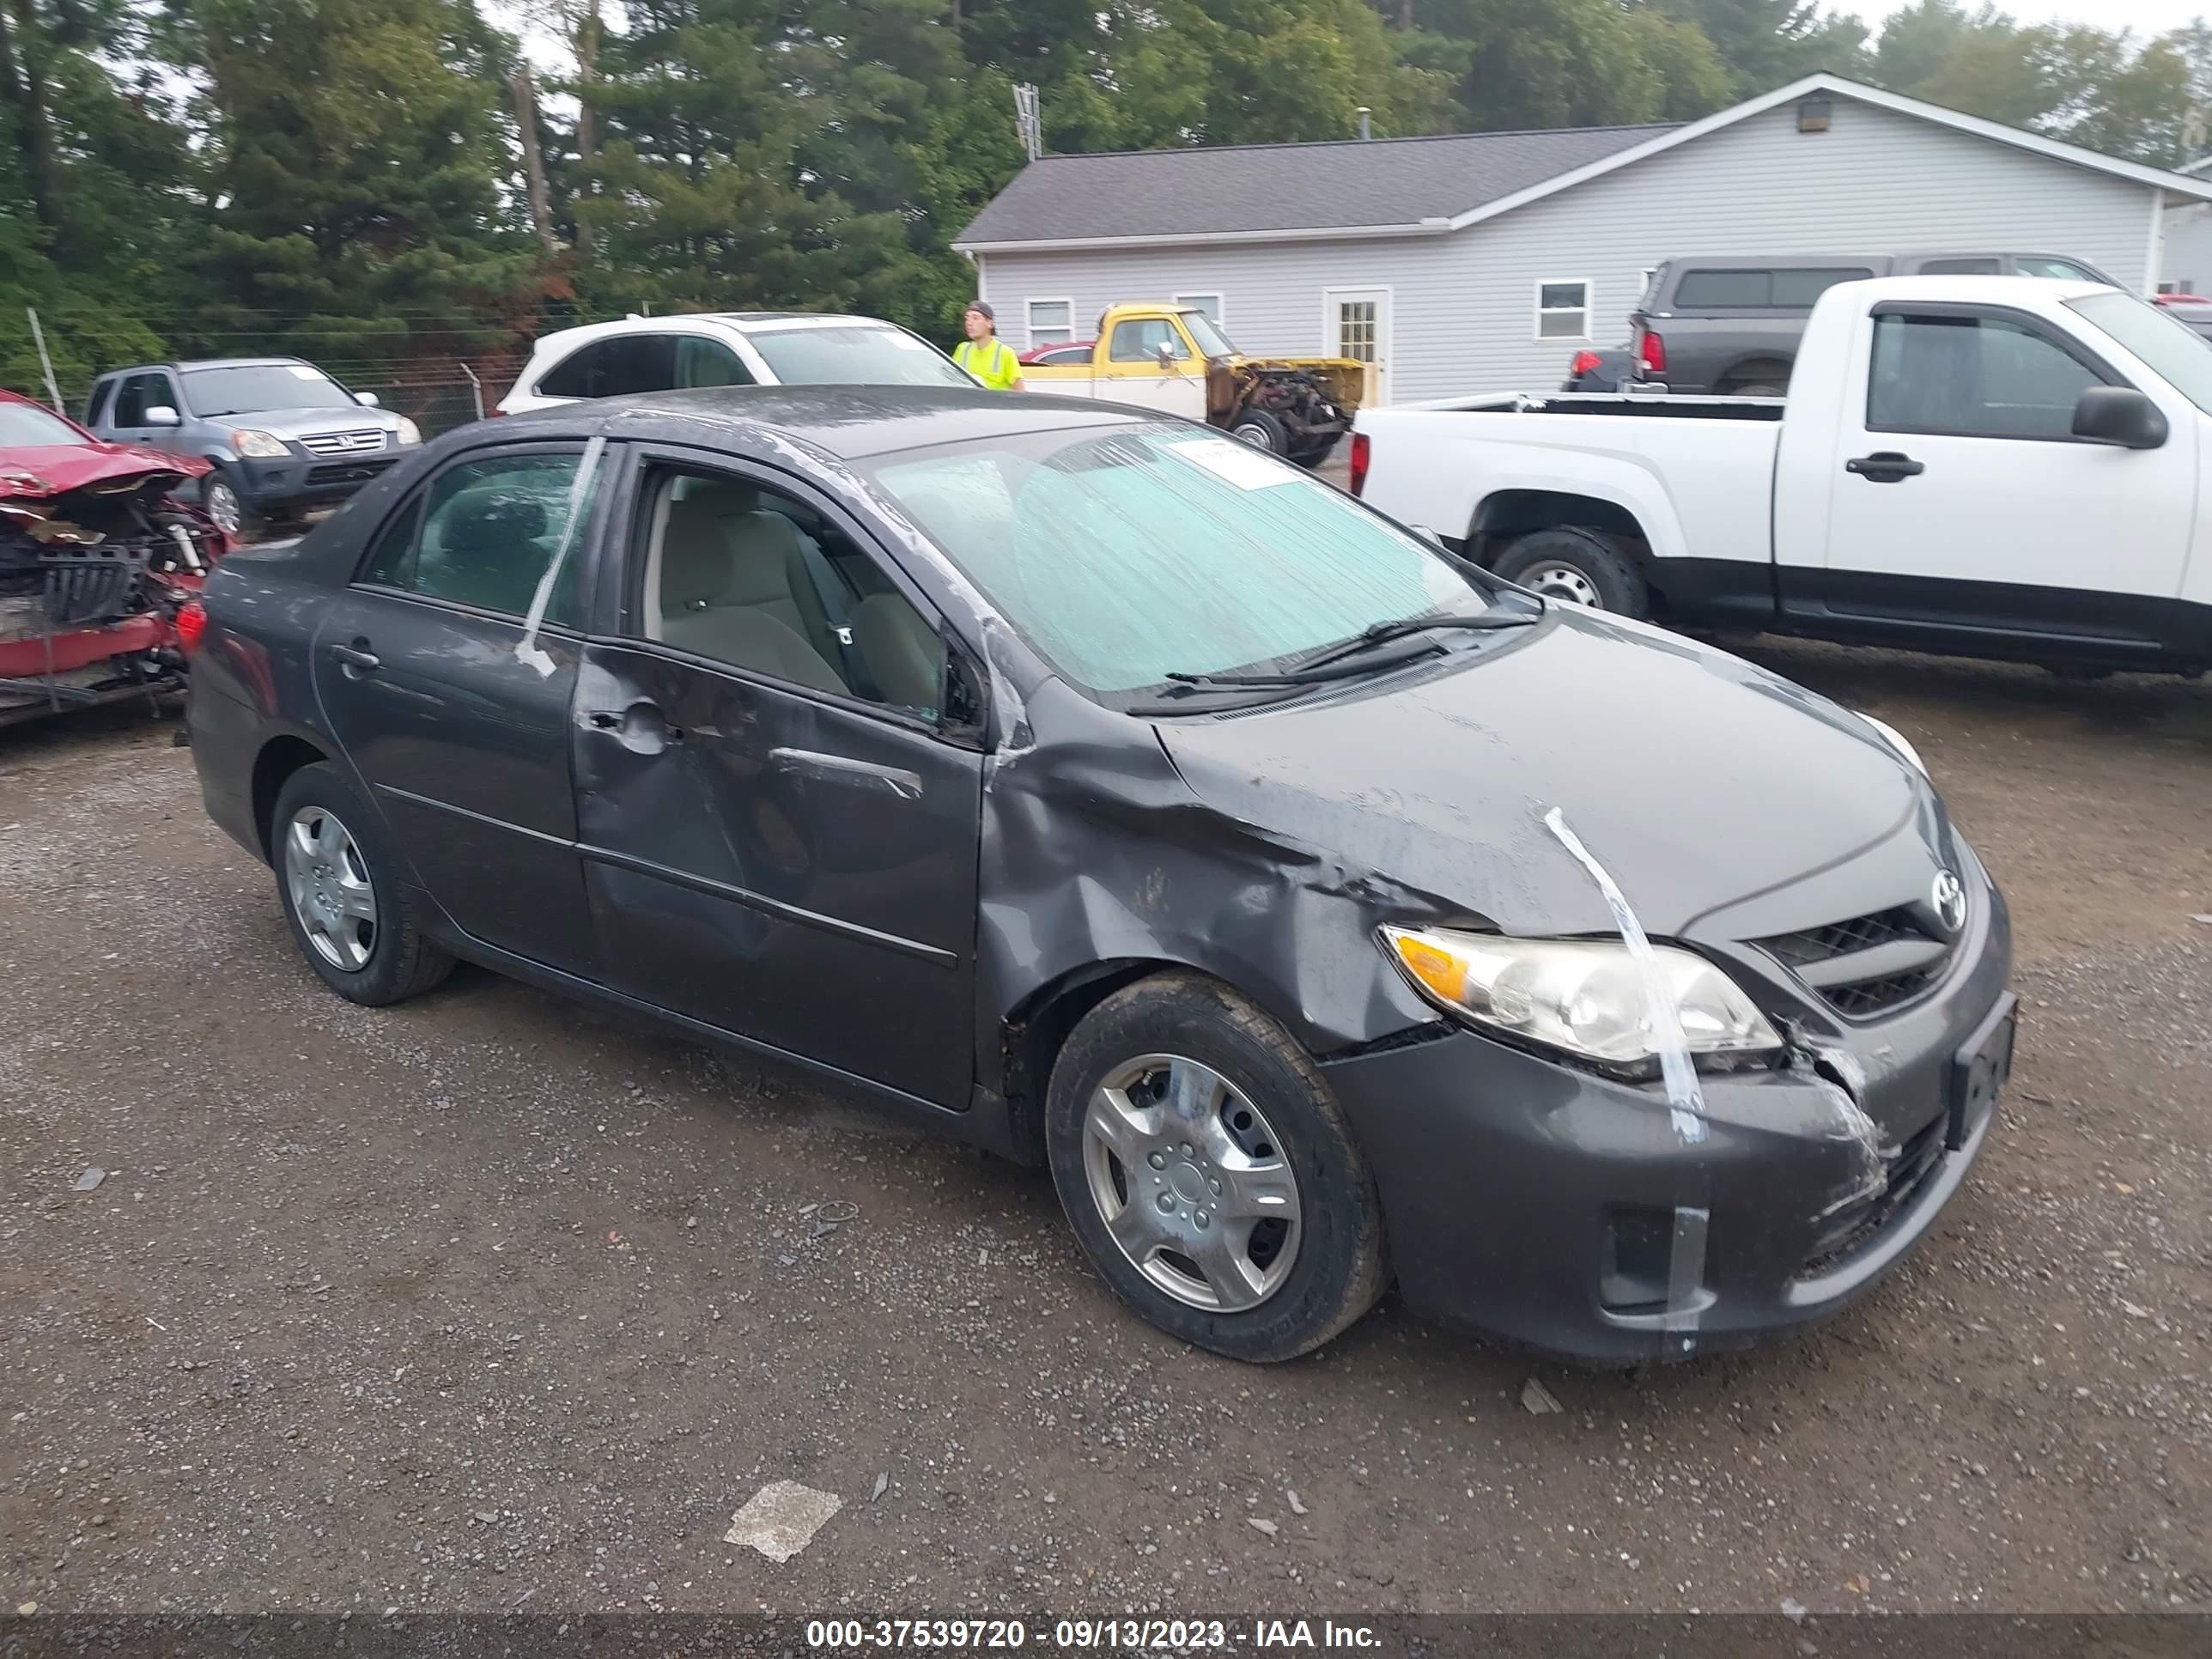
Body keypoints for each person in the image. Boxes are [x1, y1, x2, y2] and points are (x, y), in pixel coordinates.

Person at [953, 301, 1024, 392]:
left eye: (975, 318)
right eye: (967, 318)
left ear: (989, 323)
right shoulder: (962, 349)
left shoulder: (1005, 353)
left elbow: (1019, 392)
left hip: (994, 405)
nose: (969, 323)